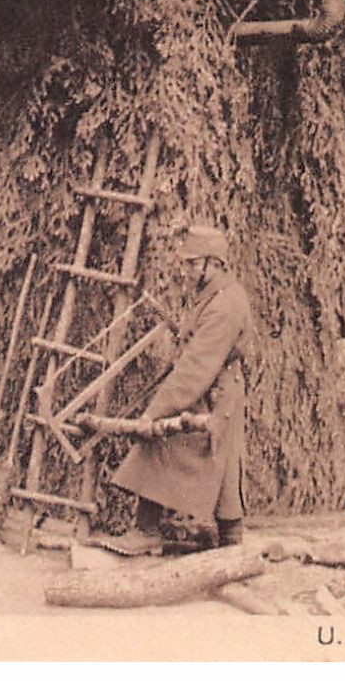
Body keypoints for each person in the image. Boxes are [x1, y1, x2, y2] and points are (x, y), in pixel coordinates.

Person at [100, 225, 250, 556]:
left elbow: (196, 369)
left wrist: (153, 413)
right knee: (218, 461)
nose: (186, 270)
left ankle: (151, 530)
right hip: (210, 387)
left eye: (193, 263)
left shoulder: (226, 305)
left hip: (215, 393)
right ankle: (227, 541)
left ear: (214, 264)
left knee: (164, 441)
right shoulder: (211, 294)